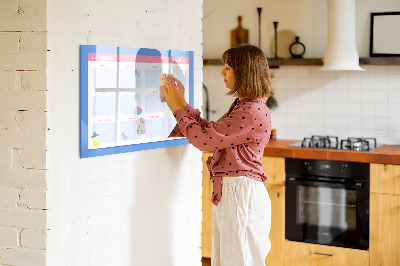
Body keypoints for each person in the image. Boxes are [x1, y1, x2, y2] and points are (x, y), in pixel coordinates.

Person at [161, 44, 273, 266]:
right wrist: (182, 104)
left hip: (241, 195)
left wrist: (176, 108)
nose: (222, 72)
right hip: (236, 193)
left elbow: (204, 141)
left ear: (244, 72)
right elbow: (212, 133)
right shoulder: (246, 106)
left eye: (228, 67)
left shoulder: (250, 111)